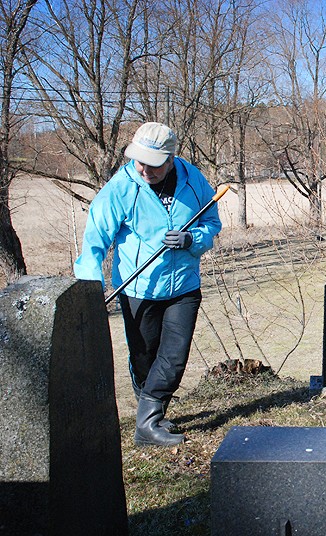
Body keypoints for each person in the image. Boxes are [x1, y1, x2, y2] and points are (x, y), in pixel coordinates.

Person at [74, 122, 222, 446]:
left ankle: (148, 424)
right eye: (139, 161)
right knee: (145, 358)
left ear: (171, 159)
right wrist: (88, 290)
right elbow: (94, 241)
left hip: (183, 285)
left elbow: (212, 222)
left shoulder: (192, 179)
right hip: (137, 288)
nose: (145, 169)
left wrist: (192, 239)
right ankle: (150, 409)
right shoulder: (121, 187)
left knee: (174, 357)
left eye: (153, 164)